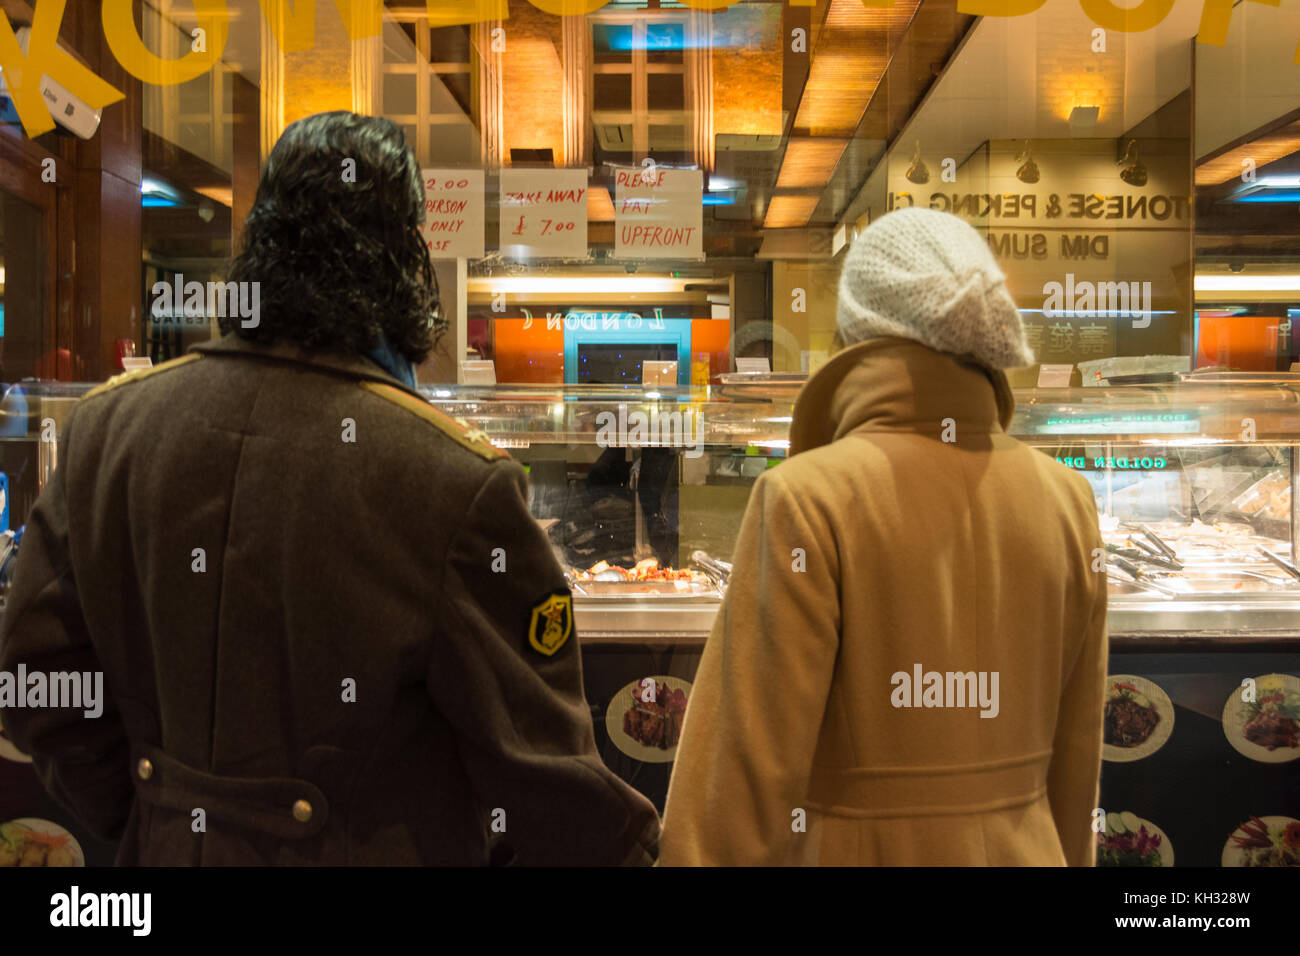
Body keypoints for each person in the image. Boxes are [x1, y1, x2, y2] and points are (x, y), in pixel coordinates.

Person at [0, 111, 659, 866]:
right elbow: (547, 789)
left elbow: (34, 684)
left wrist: (154, 816)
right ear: (405, 254)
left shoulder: (102, 431)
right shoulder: (455, 481)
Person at [660, 208, 1107, 866]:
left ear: (854, 334)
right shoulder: (1070, 500)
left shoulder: (805, 497)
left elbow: (742, 783)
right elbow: (1077, 770)